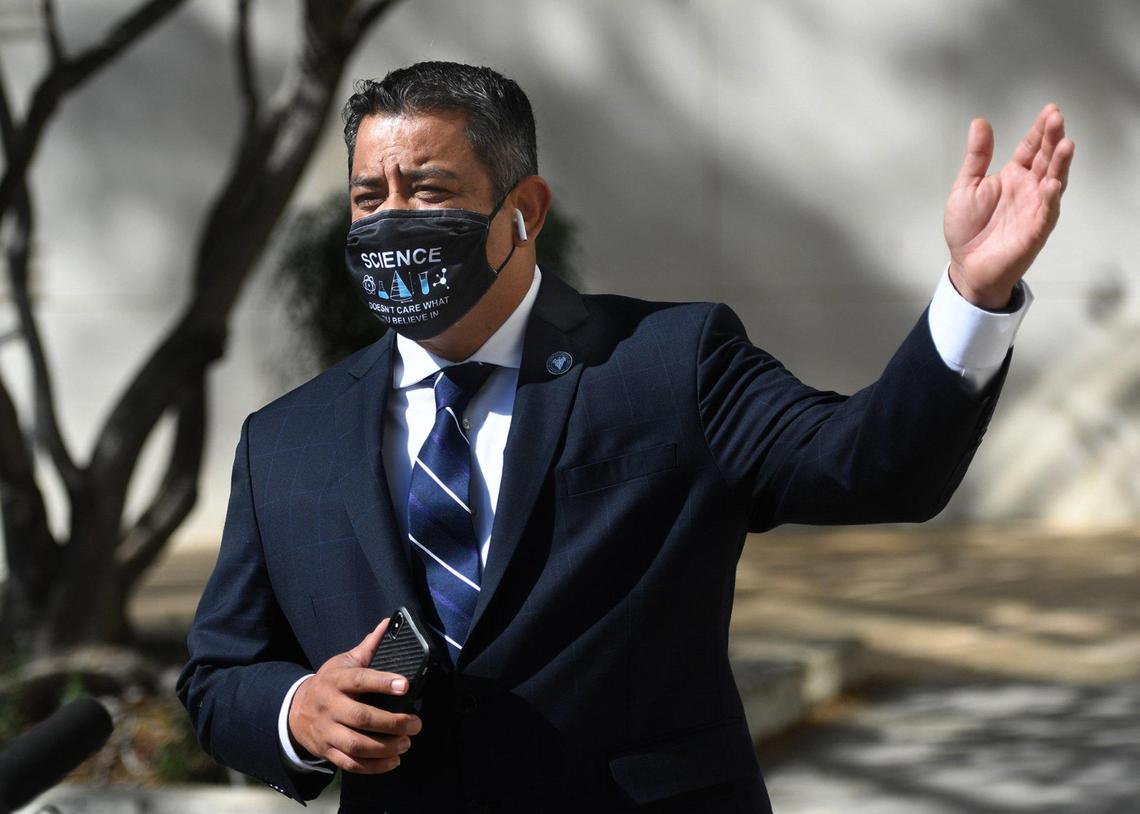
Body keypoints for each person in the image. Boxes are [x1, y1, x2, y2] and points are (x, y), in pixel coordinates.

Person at [178, 61, 1073, 812]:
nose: (394, 219)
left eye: (431, 189)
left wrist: (972, 296)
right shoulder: (283, 441)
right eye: (370, 198)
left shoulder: (669, 362)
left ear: (524, 208)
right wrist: (300, 712)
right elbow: (221, 674)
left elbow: (873, 467)